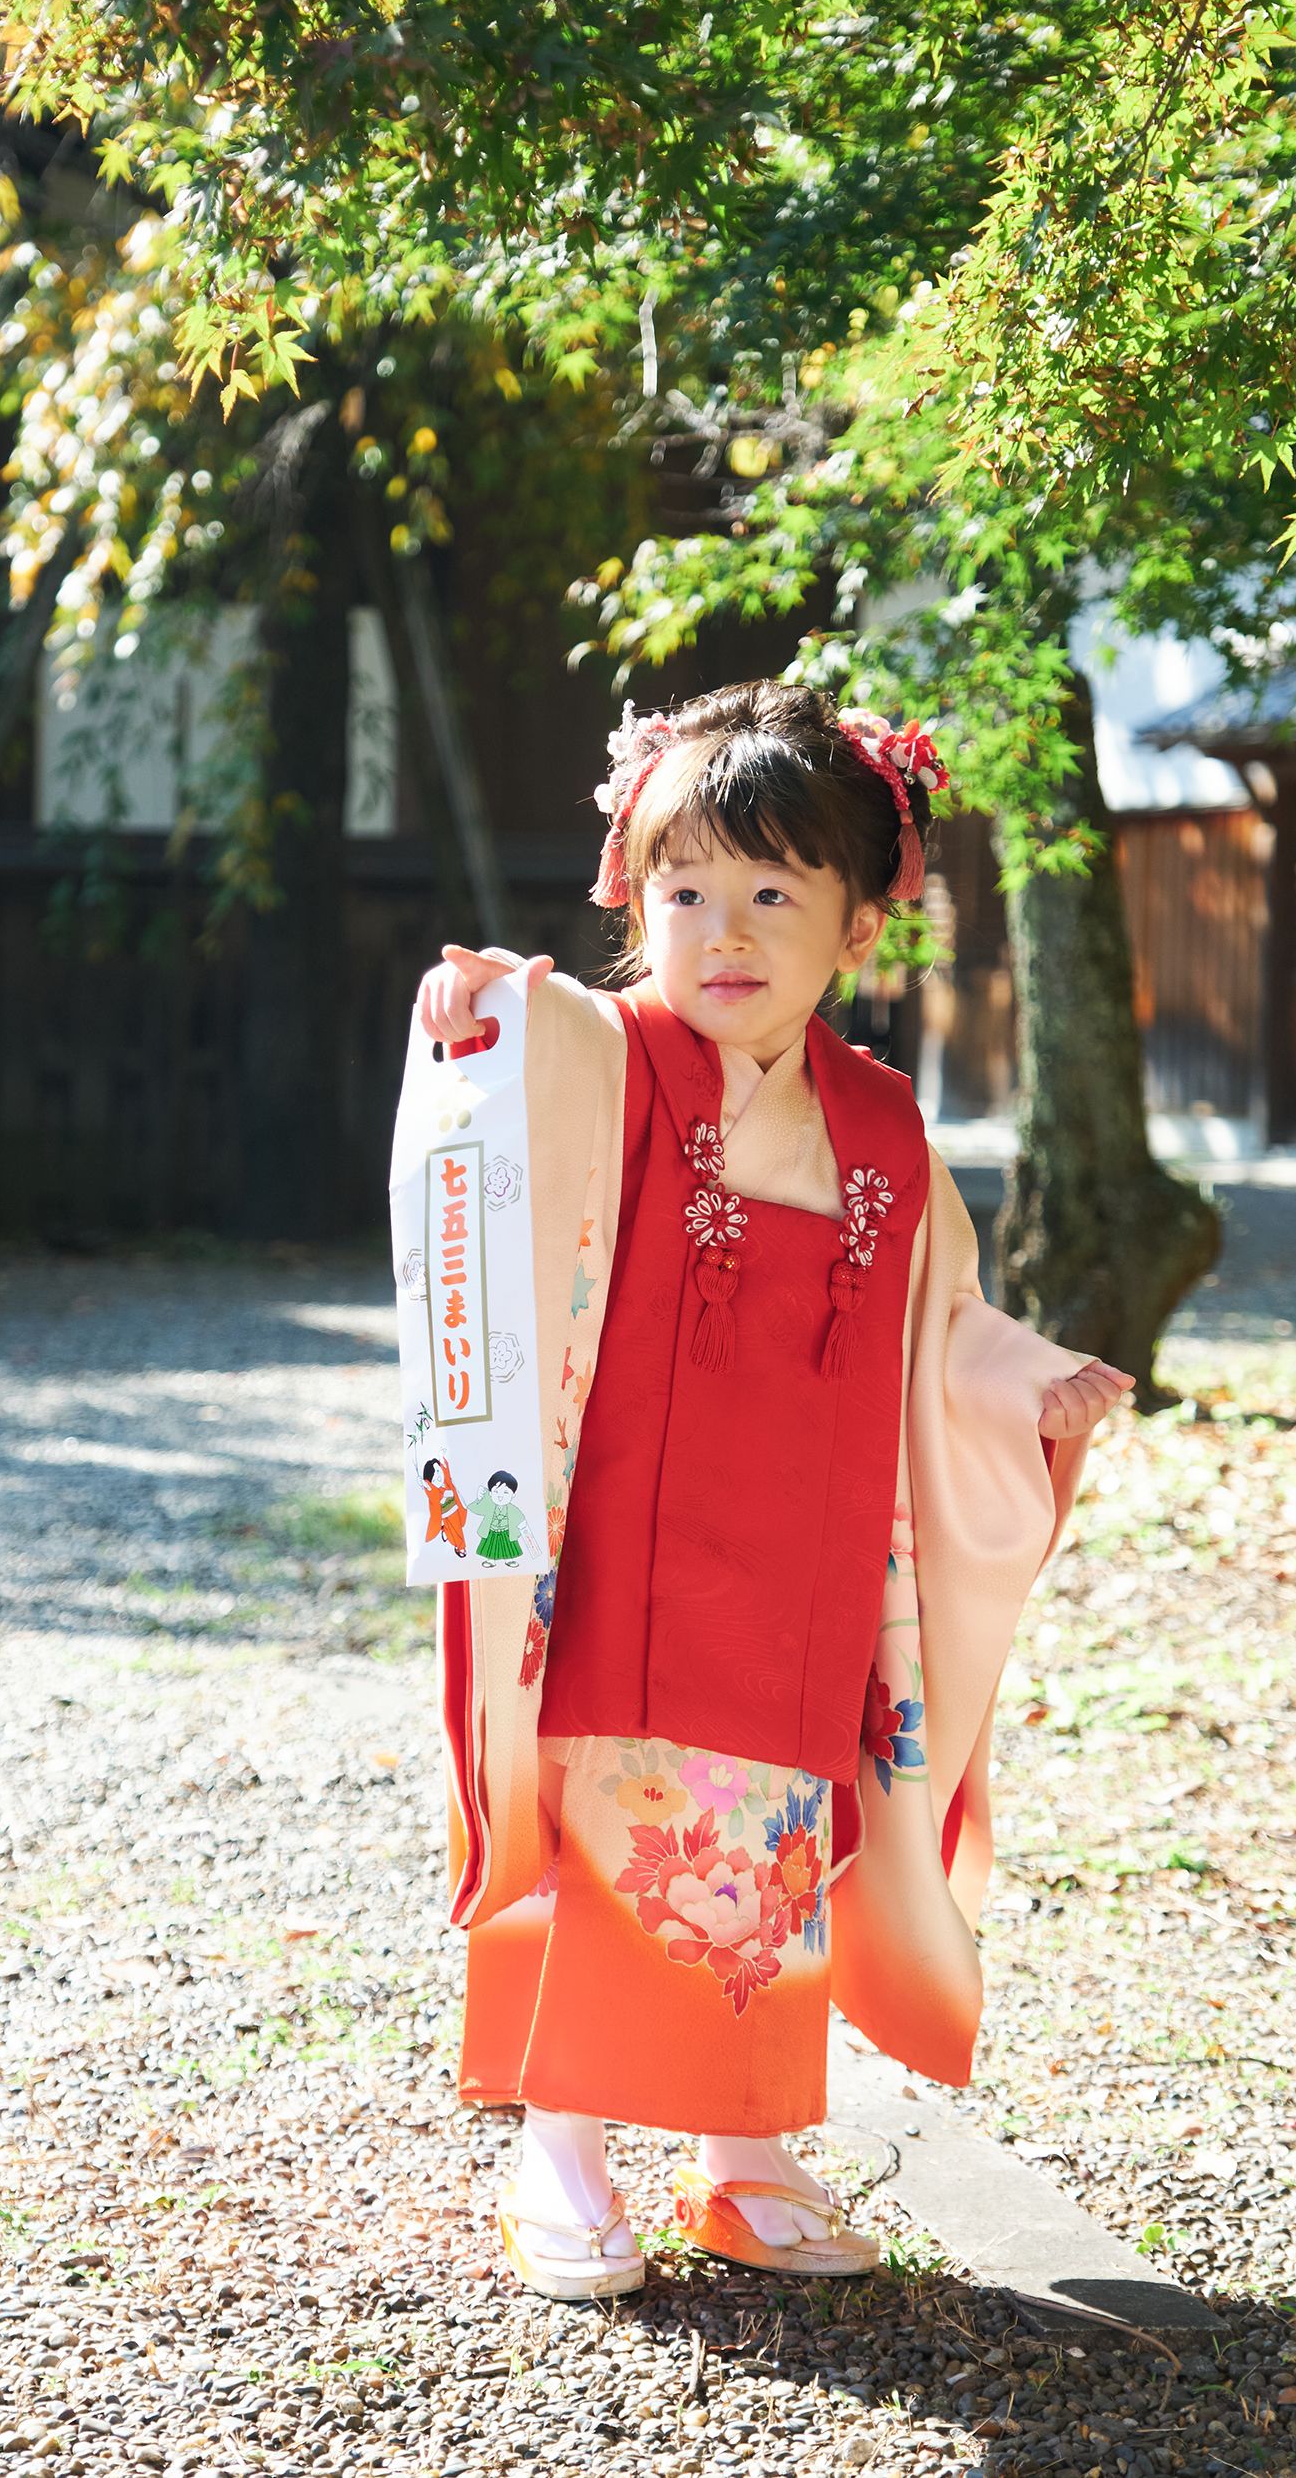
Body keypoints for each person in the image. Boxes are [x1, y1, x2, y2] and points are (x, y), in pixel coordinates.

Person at [412, 681, 1132, 2302]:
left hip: (801, 1567)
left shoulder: (880, 1125)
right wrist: (482, 1008)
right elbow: (531, 1038)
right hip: (624, 1546)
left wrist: (1023, 1384)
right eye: (682, 893)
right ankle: (560, 2151)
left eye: (769, 894)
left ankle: (738, 2154)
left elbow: (937, 1321)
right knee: (613, 1839)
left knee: (769, 1860)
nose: (720, 932)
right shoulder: (620, 1061)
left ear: (860, 922)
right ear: (634, 900)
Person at [420, 1456, 468, 1556]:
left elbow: (446, 1474)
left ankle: (447, 1532)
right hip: (447, 1513)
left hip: (455, 1509)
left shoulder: (446, 1483)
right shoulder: (435, 1490)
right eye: (434, 1476)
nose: (438, 1477)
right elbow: (433, 1497)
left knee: (458, 1526)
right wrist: (426, 1485)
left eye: (438, 1471)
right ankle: (460, 1547)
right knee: (456, 1530)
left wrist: (443, 1459)